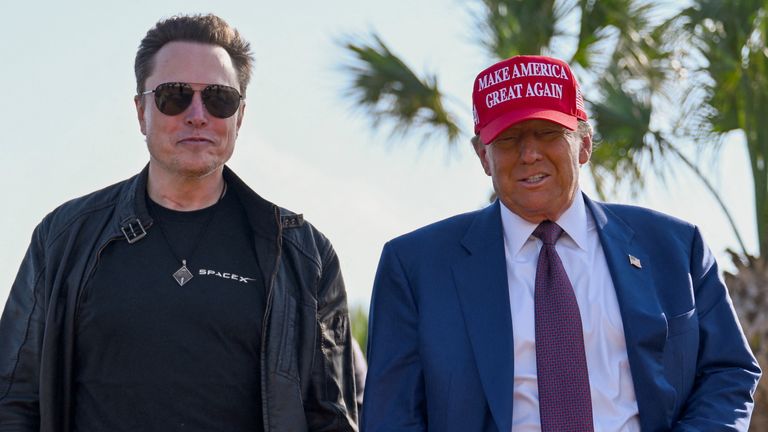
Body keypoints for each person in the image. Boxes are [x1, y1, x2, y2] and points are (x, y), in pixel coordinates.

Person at [361, 55, 761, 431]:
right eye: (508, 139)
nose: (529, 154)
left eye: (549, 133)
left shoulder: (674, 247)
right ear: (483, 156)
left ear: (584, 143)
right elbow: (391, 416)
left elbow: (727, 371)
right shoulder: (415, 267)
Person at [0, 14, 357, 432]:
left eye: (220, 99)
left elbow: (332, 418)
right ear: (141, 112)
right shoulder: (63, 238)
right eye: (174, 96)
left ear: (239, 118)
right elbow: (13, 401)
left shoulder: (303, 255)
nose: (198, 115)